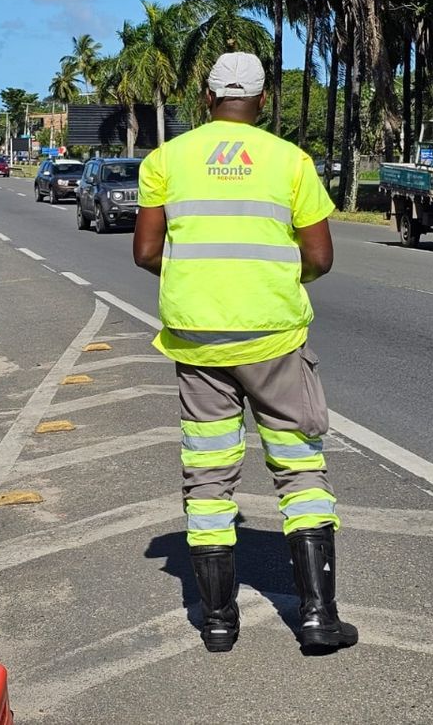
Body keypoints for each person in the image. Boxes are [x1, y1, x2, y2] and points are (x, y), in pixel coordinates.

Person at [133, 51, 357, 656]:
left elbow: (147, 252)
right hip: (274, 339)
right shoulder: (290, 160)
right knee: (300, 471)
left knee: (209, 474)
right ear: (262, 103)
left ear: (207, 100)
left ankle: (217, 622)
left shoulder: (166, 160)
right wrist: (276, 278)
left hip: (198, 340)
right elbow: (320, 256)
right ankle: (317, 617)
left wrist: (200, 278)